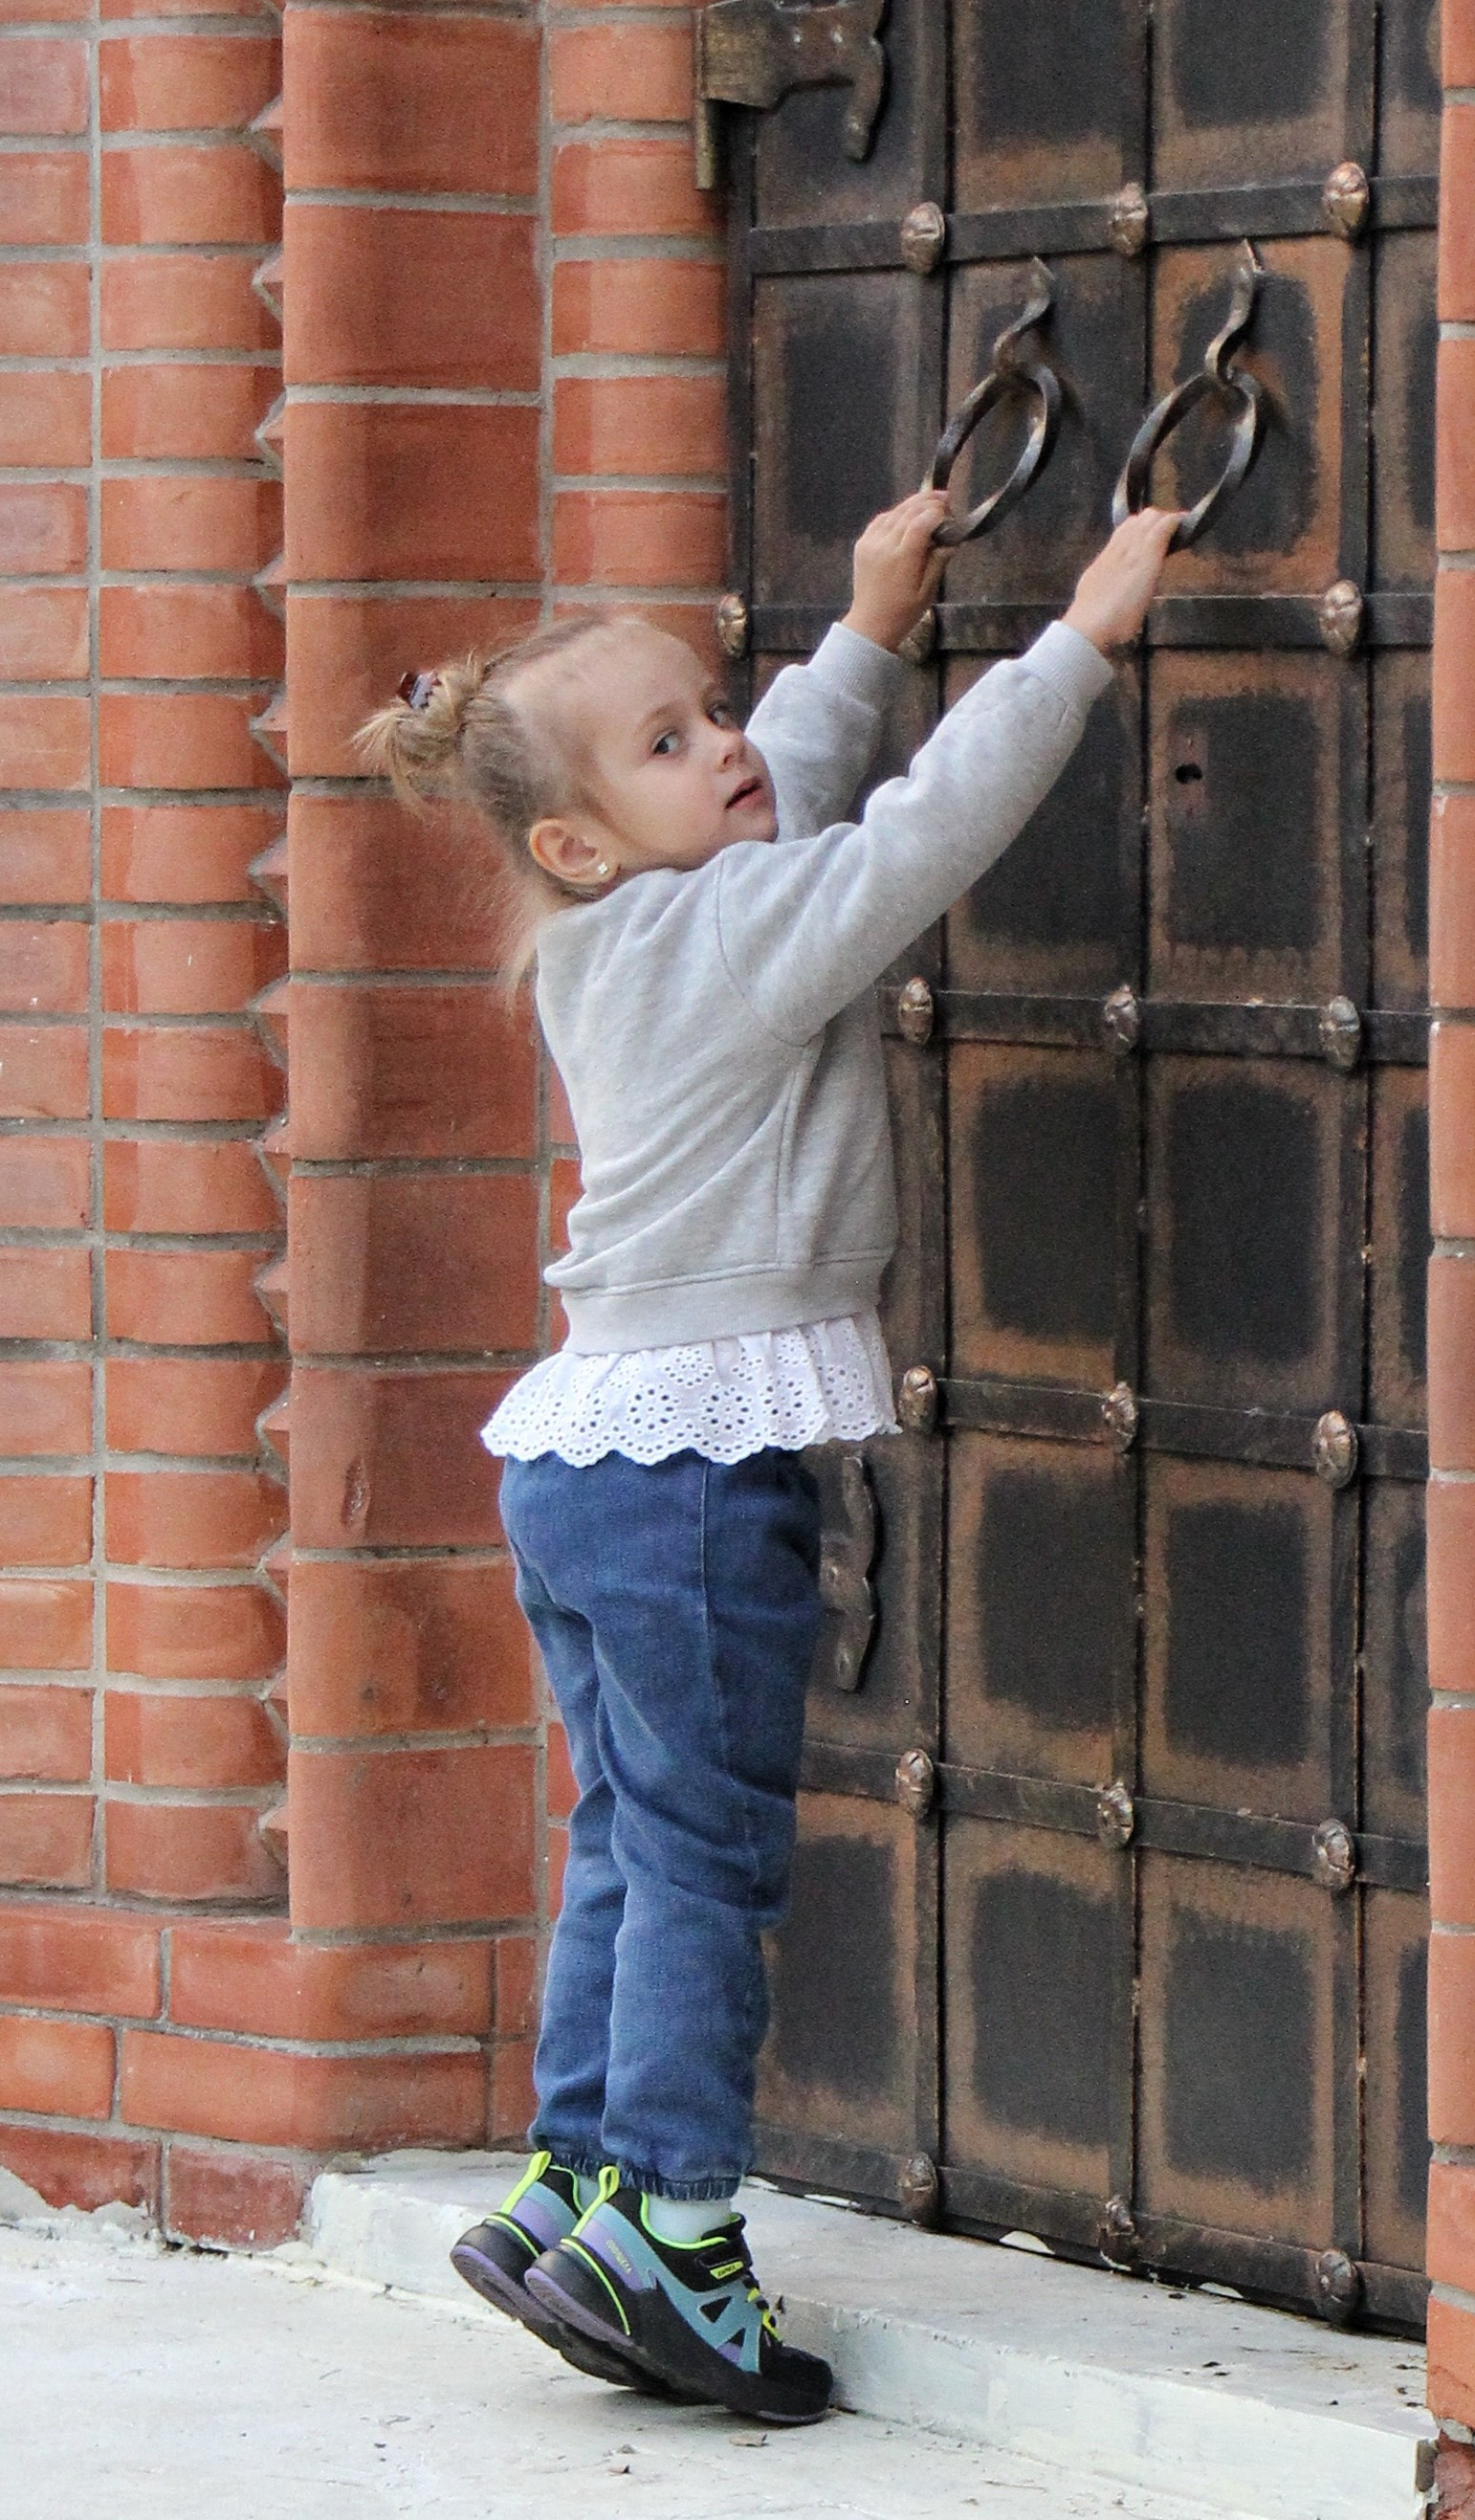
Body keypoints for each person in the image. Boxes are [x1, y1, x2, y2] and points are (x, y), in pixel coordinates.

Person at [356, 487, 1180, 2426]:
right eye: (669, 738)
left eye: (707, 706)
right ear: (572, 840)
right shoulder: (717, 936)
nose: (723, 742)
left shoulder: (625, 925)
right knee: (708, 1859)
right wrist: (1079, 641)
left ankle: (576, 2177)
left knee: (628, 1840)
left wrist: (870, 630)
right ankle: (677, 2234)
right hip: (685, 1481)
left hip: (594, 1461)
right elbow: (902, 845)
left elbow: (782, 794)